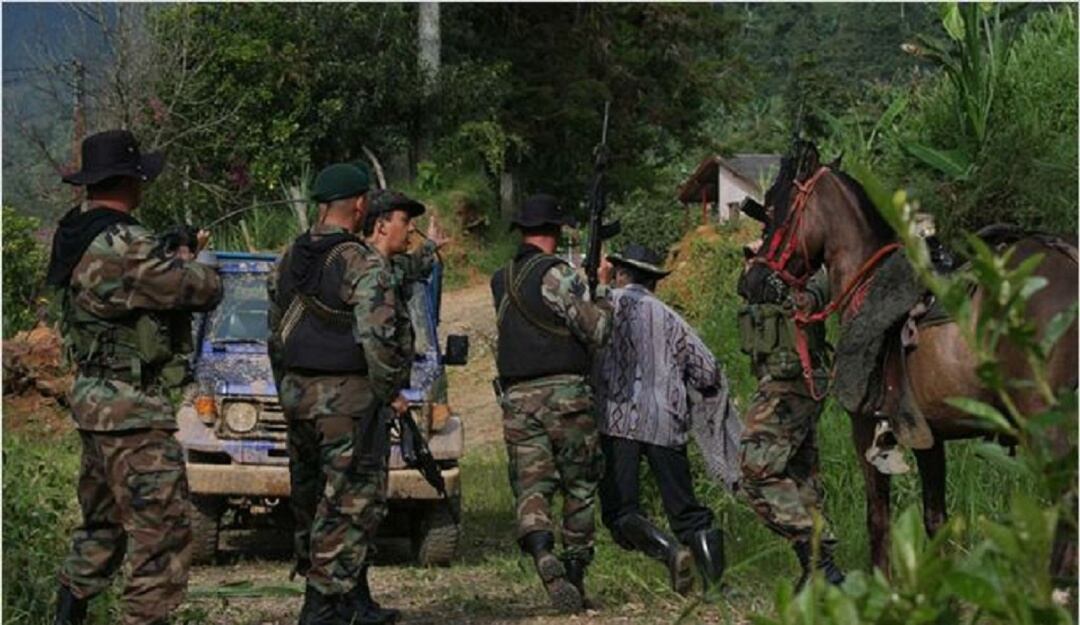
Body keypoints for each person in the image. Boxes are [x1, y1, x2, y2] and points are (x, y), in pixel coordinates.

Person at [46, 129, 224, 625]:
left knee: (100, 530)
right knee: (161, 542)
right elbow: (202, 289)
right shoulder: (127, 243)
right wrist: (192, 255)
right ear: (130, 181)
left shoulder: (75, 234)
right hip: (134, 414)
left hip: (93, 404)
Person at [268, 161, 431, 624]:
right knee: (351, 506)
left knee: (311, 502)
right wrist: (388, 392)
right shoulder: (360, 261)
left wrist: (289, 389)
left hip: (299, 399)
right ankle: (323, 610)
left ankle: (340, 603)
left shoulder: (287, 257)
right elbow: (377, 338)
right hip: (349, 404)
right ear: (361, 206)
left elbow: (274, 335)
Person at [490, 193, 613, 613]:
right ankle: (575, 574)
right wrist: (603, 291)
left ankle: (543, 553)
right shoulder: (557, 274)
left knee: (531, 484)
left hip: (517, 399)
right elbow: (596, 331)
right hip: (565, 397)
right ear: (556, 233)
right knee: (579, 484)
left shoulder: (499, 278)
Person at [593, 244, 729, 595]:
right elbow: (708, 371)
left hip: (616, 420)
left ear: (621, 273)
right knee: (686, 511)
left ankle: (669, 552)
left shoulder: (601, 309)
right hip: (665, 422)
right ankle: (716, 589)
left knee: (621, 511)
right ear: (654, 281)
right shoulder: (671, 318)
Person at [736, 207, 845, 589]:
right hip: (786, 380)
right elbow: (749, 288)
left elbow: (805, 298)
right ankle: (820, 573)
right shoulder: (768, 265)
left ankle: (817, 551)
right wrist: (759, 260)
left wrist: (774, 267)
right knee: (800, 476)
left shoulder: (813, 268)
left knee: (755, 470)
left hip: (792, 381)